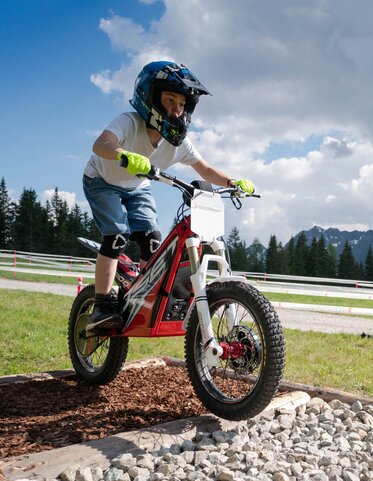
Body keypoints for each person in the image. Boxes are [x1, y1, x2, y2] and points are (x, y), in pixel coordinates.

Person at [82, 60, 254, 332]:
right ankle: (102, 305)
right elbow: (100, 144)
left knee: (152, 240)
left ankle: (139, 292)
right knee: (116, 236)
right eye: (170, 99)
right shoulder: (129, 122)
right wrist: (122, 154)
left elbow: (205, 169)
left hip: (137, 186)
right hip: (102, 181)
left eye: (182, 103)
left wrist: (233, 182)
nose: (177, 108)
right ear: (150, 97)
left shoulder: (179, 143)